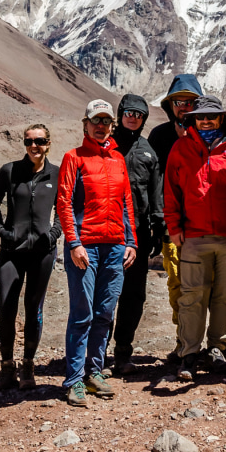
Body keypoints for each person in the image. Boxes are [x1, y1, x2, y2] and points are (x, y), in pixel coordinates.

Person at [57, 100, 138, 406]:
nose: (101, 126)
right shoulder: (74, 157)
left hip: (115, 245)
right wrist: (74, 243)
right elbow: (64, 202)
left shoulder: (118, 159)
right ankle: (74, 380)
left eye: (106, 121)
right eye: (96, 120)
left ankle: (95, 372)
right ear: (86, 124)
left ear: (112, 126)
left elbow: (126, 202)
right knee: (82, 314)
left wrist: (131, 242)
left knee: (104, 313)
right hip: (85, 246)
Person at [164, 95, 226, 382]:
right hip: (193, 235)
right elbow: (171, 191)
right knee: (192, 297)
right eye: (201, 117)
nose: (206, 121)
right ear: (193, 120)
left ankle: (217, 348)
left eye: (212, 116)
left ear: (222, 118)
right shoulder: (181, 147)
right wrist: (174, 227)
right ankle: (189, 352)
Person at [0, 124, 61, 392]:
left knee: (34, 308)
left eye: (39, 141)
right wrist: (3, 232)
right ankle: (7, 367)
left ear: (48, 143)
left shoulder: (56, 173)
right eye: (29, 141)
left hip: (43, 253)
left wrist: (53, 234)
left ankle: (28, 365)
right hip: (12, 252)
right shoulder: (10, 171)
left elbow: (64, 207)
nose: (34, 146)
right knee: (7, 308)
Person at [147, 74, 203, 361]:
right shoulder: (159, 136)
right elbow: (153, 180)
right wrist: (158, 220)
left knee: (213, 284)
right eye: (178, 102)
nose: (184, 107)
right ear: (170, 105)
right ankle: (185, 342)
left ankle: (217, 342)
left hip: (206, 222)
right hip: (172, 223)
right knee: (178, 283)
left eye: (190, 101)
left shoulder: (210, 131)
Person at [110, 95, 163, 375]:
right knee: (104, 292)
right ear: (120, 114)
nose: (133, 118)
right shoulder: (106, 145)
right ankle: (96, 352)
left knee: (134, 294)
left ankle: (123, 352)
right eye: (129, 112)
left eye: (139, 114)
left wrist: (158, 227)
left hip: (139, 231)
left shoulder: (148, 151)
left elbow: (155, 192)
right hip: (106, 231)